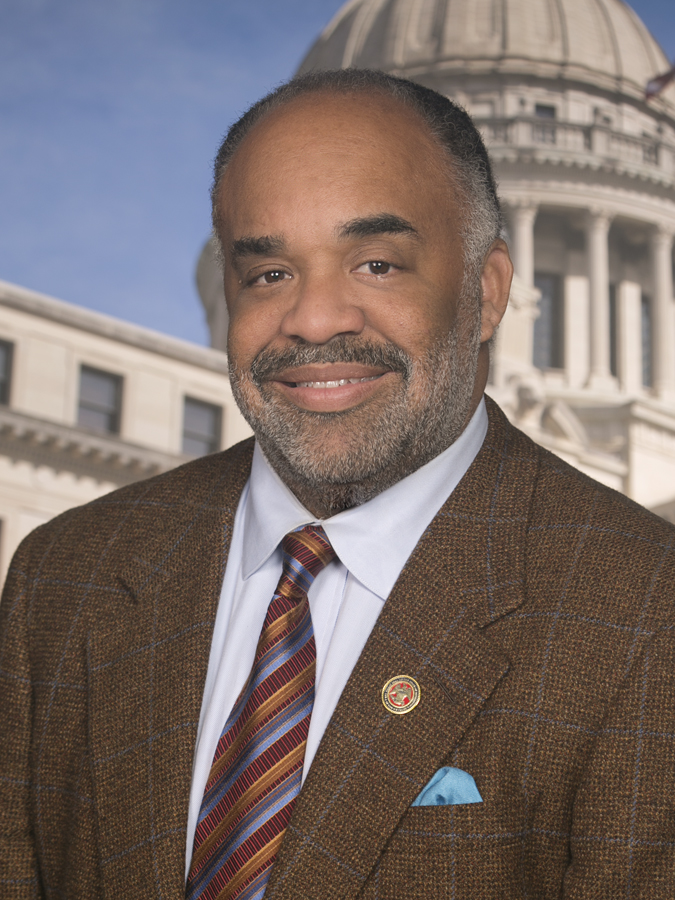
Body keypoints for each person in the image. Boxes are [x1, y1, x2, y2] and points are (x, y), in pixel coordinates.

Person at [1, 69, 674, 900]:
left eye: (378, 263)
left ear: (487, 291)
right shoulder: (63, 576)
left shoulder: (645, 603)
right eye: (270, 272)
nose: (316, 319)